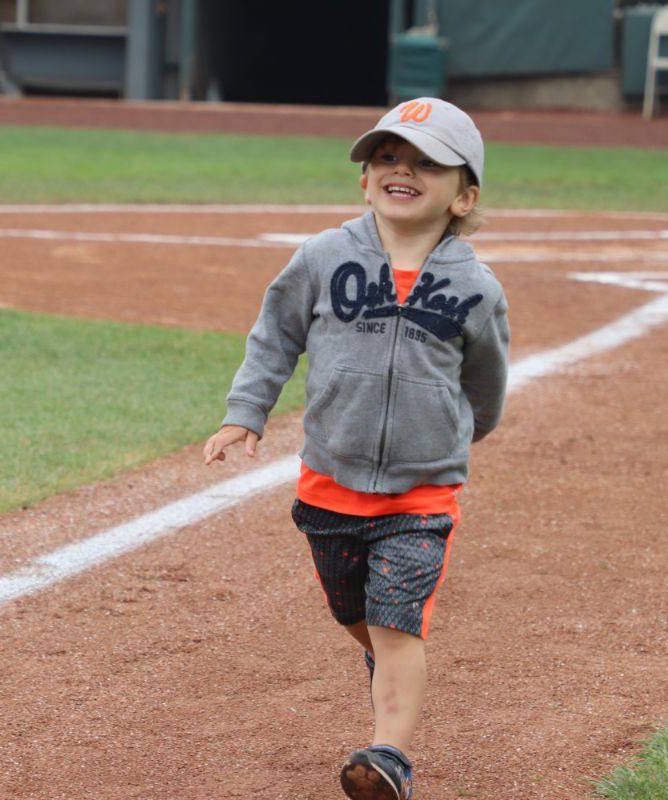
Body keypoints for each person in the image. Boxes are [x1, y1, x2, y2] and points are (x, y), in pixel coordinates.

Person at [203, 97, 509, 800]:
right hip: (329, 483)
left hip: (420, 493)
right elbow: (275, 337)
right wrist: (245, 413)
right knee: (356, 615)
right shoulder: (323, 257)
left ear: (463, 197)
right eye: (387, 157)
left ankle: (389, 757)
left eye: (427, 163)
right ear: (365, 179)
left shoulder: (475, 286)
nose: (402, 169)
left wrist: (457, 434)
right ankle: (395, 672)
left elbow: (486, 378)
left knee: (396, 620)